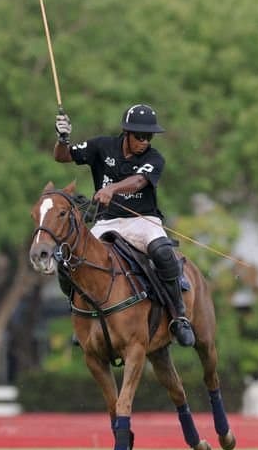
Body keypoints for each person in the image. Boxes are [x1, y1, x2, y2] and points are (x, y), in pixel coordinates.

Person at [53, 104, 194, 347]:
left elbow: (139, 181)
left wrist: (112, 189)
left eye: (149, 136)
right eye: (140, 136)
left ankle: (179, 317)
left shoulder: (154, 158)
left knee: (162, 252)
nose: (144, 141)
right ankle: (80, 315)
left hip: (143, 220)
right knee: (67, 259)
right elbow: (62, 156)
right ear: (126, 133)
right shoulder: (102, 146)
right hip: (107, 221)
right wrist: (63, 138)